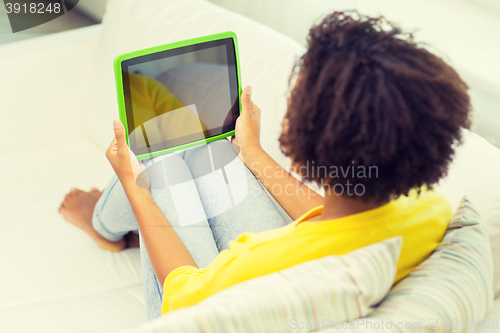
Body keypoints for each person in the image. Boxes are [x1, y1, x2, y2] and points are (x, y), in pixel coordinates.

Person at [58, 11, 471, 320]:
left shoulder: (258, 262)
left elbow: (183, 296)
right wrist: (253, 152)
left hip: (205, 306)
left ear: (304, 144)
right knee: (212, 153)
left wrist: (136, 188)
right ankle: (125, 222)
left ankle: (104, 225)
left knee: (162, 167)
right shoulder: (429, 209)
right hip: (292, 264)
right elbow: (340, 218)